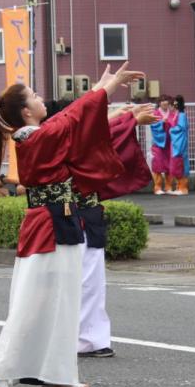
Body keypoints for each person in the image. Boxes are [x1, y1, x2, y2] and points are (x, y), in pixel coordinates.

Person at [0, 63, 143, 387]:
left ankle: (57, 371)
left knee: (64, 299)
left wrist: (102, 90)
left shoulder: (40, 133)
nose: (41, 99)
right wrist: (103, 91)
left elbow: (76, 123)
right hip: (47, 224)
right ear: (26, 110)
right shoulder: (32, 136)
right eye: (35, 96)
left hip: (60, 220)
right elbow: (72, 120)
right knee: (35, 300)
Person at [76, 102, 159, 359]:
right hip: (68, 214)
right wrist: (129, 120)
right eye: (31, 96)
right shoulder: (49, 133)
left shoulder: (62, 129)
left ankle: (90, 338)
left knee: (92, 281)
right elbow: (90, 137)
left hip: (86, 211)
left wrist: (125, 116)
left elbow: (94, 132)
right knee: (79, 281)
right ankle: (78, 338)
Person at [149, 95, 175, 194]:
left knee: (169, 165)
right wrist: (161, 122)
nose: (165, 103)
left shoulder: (172, 113)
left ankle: (168, 187)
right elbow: (153, 126)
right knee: (158, 165)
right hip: (158, 143)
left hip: (170, 142)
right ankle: (158, 188)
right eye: (163, 101)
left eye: (166, 101)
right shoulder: (155, 113)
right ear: (159, 103)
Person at [167, 95, 190, 195]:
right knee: (176, 163)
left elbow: (181, 127)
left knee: (180, 162)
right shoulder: (178, 114)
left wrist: (171, 130)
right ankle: (178, 187)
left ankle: (183, 188)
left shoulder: (181, 115)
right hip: (176, 141)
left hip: (179, 141)